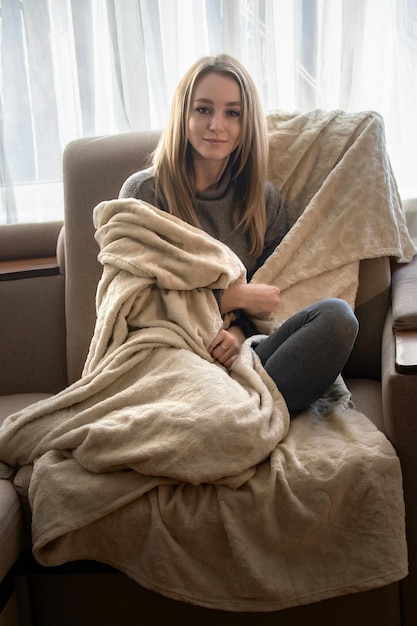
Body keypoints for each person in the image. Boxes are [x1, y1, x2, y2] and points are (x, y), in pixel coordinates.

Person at [119, 54, 358, 416]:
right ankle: (234, 420)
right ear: (183, 115)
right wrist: (230, 297)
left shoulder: (263, 200)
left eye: (232, 113)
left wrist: (239, 336)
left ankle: (239, 417)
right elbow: (130, 305)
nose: (217, 125)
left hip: (244, 360)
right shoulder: (144, 194)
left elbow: (273, 293)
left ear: (247, 124)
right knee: (203, 394)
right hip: (169, 360)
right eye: (203, 110)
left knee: (337, 319)